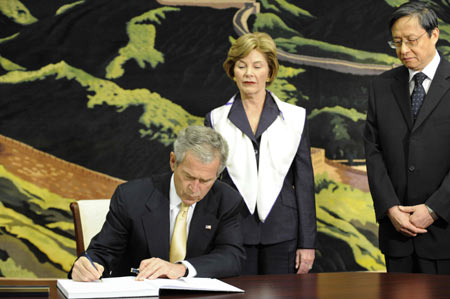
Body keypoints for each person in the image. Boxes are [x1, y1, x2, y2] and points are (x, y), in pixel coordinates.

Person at [70, 126, 245, 281]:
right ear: (172, 162)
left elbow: (231, 257)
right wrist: (86, 266)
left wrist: (181, 268)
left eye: (205, 180)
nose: (195, 188)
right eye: (189, 177)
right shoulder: (131, 197)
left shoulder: (226, 200)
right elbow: (103, 252)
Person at [205, 32, 316, 275]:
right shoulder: (216, 119)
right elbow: (210, 182)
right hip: (233, 231)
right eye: (241, 66)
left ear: (270, 71)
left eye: (257, 66)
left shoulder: (295, 118)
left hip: (284, 231)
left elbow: (304, 182)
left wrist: (307, 243)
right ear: (232, 70)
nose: (249, 73)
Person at [364, 1, 450, 274]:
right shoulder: (381, 86)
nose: (403, 50)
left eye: (411, 40)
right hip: (397, 233)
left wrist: (434, 208)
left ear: (433, 34)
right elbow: (373, 150)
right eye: (397, 42)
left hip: (445, 231)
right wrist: (390, 207)